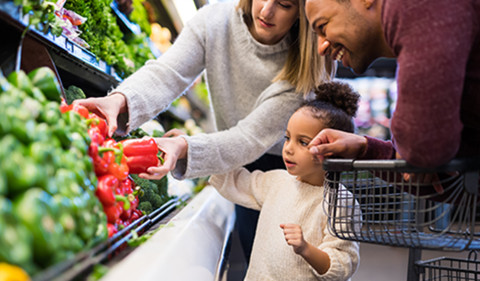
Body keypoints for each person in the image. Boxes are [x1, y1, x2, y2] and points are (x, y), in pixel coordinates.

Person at [74, 0, 335, 264]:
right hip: (238, 162)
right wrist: (121, 100)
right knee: (255, 260)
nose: (267, 10)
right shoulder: (217, 19)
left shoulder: (304, 63)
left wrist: (186, 147)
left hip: (290, 170)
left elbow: (249, 137)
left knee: (287, 264)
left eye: (284, 4)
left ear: (301, 13)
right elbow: (169, 72)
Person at [209, 81, 361, 281]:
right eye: (287, 137)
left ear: (332, 151)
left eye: (303, 142)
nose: (288, 148)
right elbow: (235, 180)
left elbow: (343, 264)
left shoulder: (340, 203)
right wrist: (191, 152)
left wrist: (306, 248)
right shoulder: (277, 182)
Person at [304, 0, 480, 170]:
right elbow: (441, 170)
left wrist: (417, 151)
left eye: (323, 26)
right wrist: (365, 149)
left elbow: (423, 147)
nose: (321, 48)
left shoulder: (417, 7)